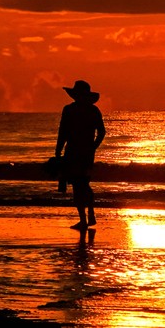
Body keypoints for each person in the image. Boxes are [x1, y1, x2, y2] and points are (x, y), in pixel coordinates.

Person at [55, 80, 106, 230]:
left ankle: (84, 219)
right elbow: (101, 133)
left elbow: (62, 132)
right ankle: (89, 213)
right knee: (83, 183)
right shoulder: (93, 110)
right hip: (86, 153)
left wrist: (58, 150)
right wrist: (93, 147)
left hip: (73, 152)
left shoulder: (69, 110)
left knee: (78, 185)